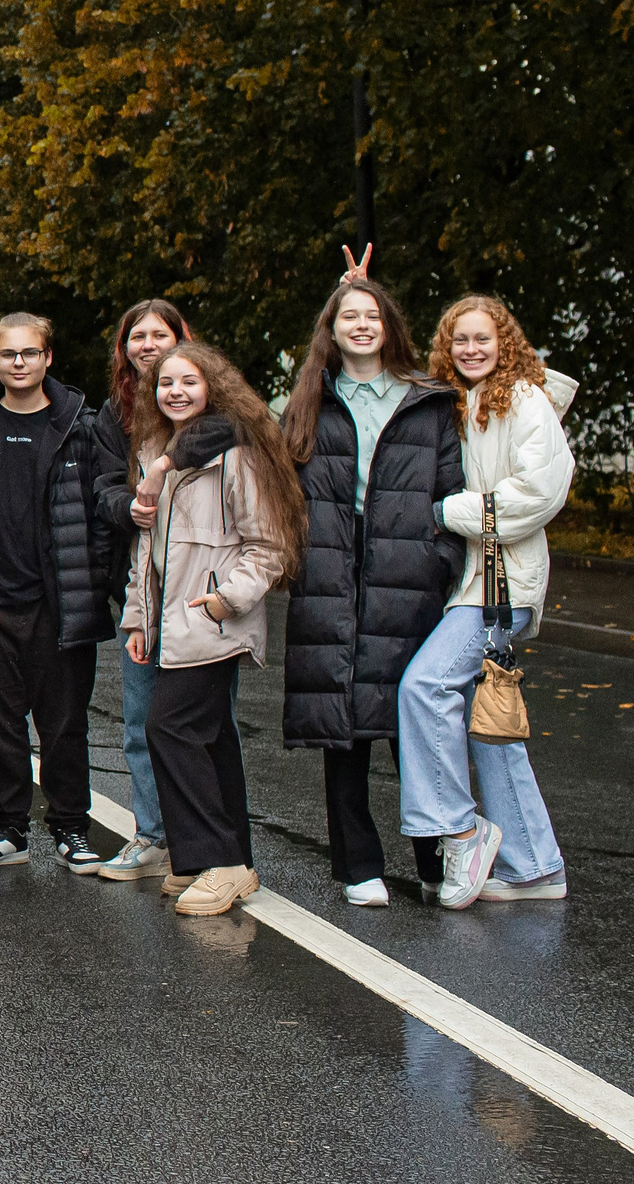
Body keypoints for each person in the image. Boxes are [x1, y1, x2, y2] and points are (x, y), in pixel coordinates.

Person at [279, 277, 465, 906]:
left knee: (412, 722)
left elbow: (451, 486)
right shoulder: (310, 401)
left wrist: (438, 558)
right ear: (330, 331)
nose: (361, 325)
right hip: (332, 568)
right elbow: (282, 492)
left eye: (372, 316)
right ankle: (359, 866)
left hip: (406, 567)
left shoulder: (428, 400)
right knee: (344, 724)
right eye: (348, 316)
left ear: (390, 325)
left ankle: (436, 863)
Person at [401, 295, 575, 908]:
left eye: (482, 339)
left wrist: (449, 512)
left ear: (506, 342)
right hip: (471, 583)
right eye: (458, 341)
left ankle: (462, 829)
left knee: (424, 686)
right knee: (489, 723)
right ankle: (535, 867)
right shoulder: (458, 404)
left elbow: (539, 492)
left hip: (502, 586)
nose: (470, 350)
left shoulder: (525, 400)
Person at [0, 312, 116, 873]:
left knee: (64, 724)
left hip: (58, 601)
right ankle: (8, 829)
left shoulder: (80, 422)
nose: (18, 363)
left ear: (47, 358)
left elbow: (101, 510)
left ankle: (72, 829)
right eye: (8, 355)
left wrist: (94, 579)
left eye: (29, 354)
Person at [122, 341, 304, 917]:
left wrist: (225, 601)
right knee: (211, 736)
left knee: (168, 727)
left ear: (214, 389)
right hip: (172, 622)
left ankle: (219, 861)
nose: (175, 392)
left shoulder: (237, 454)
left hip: (212, 621)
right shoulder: (158, 451)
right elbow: (146, 551)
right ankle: (227, 860)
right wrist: (136, 617)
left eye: (189, 382)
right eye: (165, 383)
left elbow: (269, 546)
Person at [87, 299, 191, 884]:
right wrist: (130, 506)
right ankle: (153, 835)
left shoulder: (212, 407)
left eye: (159, 334)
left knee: (204, 722)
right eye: (136, 336)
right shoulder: (115, 415)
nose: (147, 345)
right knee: (140, 720)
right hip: (141, 586)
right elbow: (103, 490)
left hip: (202, 589)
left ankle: (206, 842)